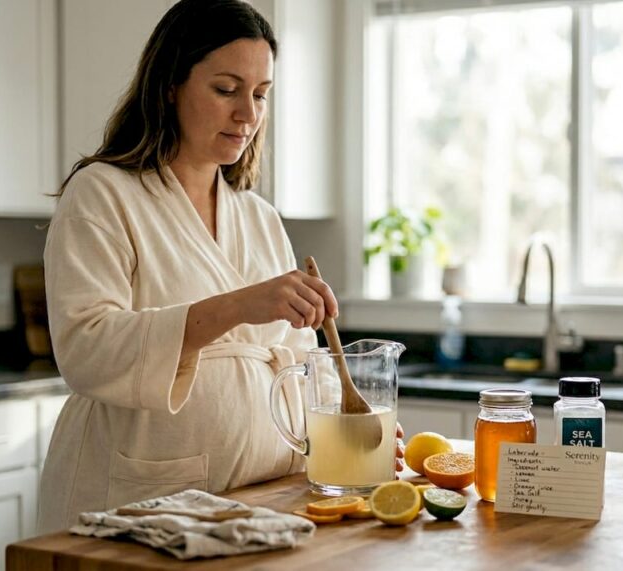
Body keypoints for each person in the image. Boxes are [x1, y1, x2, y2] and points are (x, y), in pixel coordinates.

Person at [37, 0, 403, 533]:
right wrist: (239, 306)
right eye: (226, 90)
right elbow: (86, 349)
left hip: (261, 501)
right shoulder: (102, 194)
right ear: (169, 85)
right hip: (137, 500)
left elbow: (299, 368)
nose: (248, 115)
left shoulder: (258, 217)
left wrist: (345, 432)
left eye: (260, 95)